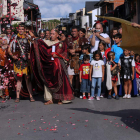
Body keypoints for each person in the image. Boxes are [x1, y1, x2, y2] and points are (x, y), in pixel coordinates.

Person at [31, 29, 74, 105]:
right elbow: (40, 46)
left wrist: (58, 55)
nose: (51, 35)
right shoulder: (47, 42)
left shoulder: (61, 43)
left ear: (57, 35)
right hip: (48, 65)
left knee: (59, 81)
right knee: (48, 81)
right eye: (51, 34)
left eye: (53, 34)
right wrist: (34, 38)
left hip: (58, 65)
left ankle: (59, 98)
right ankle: (49, 99)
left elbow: (65, 54)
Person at [8, 23, 35, 103]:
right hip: (18, 62)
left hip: (26, 61)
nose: (21, 30)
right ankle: (17, 97)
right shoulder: (14, 38)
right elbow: (9, 50)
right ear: (18, 30)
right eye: (20, 29)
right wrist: (13, 56)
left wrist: (29, 33)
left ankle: (31, 96)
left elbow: (34, 41)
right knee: (19, 80)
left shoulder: (28, 37)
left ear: (24, 30)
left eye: (22, 29)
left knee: (28, 79)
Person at [66, 26, 88, 95]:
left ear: (78, 32)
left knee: (78, 76)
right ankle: (70, 89)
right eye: (72, 31)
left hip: (80, 60)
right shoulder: (68, 39)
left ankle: (77, 90)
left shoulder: (83, 39)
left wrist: (75, 50)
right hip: (71, 60)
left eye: (75, 31)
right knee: (70, 76)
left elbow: (86, 47)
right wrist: (69, 50)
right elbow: (64, 48)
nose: (73, 33)